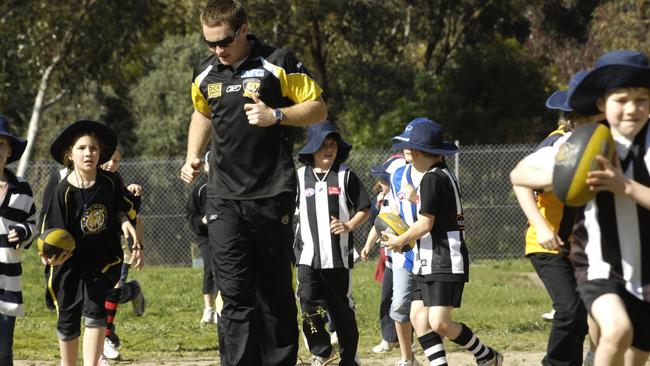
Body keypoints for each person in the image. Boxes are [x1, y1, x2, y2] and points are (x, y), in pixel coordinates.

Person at [179, 1, 327, 364]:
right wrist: (193, 155)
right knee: (234, 294)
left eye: (225, 40)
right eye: (210, 43)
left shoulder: (277, 62)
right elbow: (202, 113)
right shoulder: (206, 72)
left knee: (274, 293)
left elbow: (318, 108)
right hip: (223, 197)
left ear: (244, 29)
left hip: (271, 193)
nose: (218, 50)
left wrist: (275, 115)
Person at [510, 50, 650, 366]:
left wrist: (623, 185)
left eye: (641, 99)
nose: (632, 108)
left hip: (644, 270)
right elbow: (520, 175)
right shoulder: (582, 143)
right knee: (616, 331)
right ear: (602, 104)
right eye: (621, 99)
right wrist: (566, 175)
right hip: (600, 265)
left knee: (636, 356)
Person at [382, 121, 503, 366]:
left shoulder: (432, 179)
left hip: (444, 258)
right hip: (427, 258)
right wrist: (417, 200)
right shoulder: (439, 175)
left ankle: (486, 355)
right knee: (418, 317)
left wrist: (400, 240)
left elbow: (425, 225)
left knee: (440, 323)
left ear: (415, 152)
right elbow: (435, 212)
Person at [512, 70, 601, 366]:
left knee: (585, 313)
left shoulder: (600, 143)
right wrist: (540, 225)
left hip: (579, 247)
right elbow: (521, 181)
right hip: (547, 243)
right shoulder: (559, 145)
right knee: (570, 310)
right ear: (579, 115)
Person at [41, 119, 142, 366]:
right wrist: (48, 253)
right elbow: (50, 231)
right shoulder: (62, 191)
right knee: (68, 318)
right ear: (69, 155)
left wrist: (124, 222)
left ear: (101, 153)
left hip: (100, 258)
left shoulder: (109, 181)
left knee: (96, 311)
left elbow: (120, 207)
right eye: (82, 148)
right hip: (69, 263)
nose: (88, 153)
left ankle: (92, 363)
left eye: (94, 148)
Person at [293, 121, 370, 366]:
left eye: (333, 145)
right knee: (308, 306)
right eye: (323, 145)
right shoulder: (298, 177)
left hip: (338, 256)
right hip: (307, 257)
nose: (329, 150)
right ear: (312, 148)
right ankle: (322, 351)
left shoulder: (345, 175)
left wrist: (348, 226)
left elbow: (365, 208)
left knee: (342, 311)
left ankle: (350, 357)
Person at [99, 147, 146, 361]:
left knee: (113, 290)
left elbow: (136, 219)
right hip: (92, 248)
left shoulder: (119, 184)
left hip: (118, 249)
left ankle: (106, 338)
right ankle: (134, 291)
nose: (111, 164)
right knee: (99, 294)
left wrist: (138, 247)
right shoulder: (85, 179)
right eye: (108, 159)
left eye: (116, 161)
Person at [360, 154, 405, 356]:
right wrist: (368, 245)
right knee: (387, 299)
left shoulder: (405, 199)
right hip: (389, 260)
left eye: (385, 179)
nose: (381, 183)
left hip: (406, 260)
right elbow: (379, 224)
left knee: (405, 302)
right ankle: (388, 338)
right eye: (380, 179)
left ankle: (408, 339)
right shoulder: (381, 199)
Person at [0, 115, 37, 366]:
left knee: (3, 349)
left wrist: (24, 232)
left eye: (1, 144)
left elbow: (33, 223)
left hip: (8, 280)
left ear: (10, 150)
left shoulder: (21, 187)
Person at [185, 151, 219, 325]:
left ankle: (223, 307)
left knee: (226, 270)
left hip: (226, 236)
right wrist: (202, 221)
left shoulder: (230, 188)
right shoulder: (200, 190)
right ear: (206, 167)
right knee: (209, 268)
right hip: (206, 237)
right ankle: (209, 308)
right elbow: (191, 215)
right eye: (211, 164)